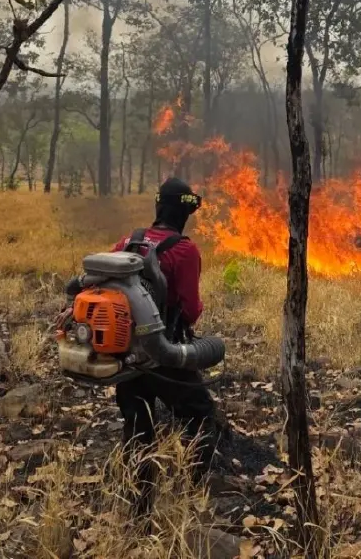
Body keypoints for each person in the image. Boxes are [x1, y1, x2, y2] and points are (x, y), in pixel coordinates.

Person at [110, 176, 223, 511]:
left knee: (137, 424)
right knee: (201, 414)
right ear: (184, 212)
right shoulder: (184, 250)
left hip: (126, 355)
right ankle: (194, 495)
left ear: (158, 207)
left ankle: (138, 507)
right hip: (165, 353)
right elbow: (190, 310)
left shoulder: (126, 242)